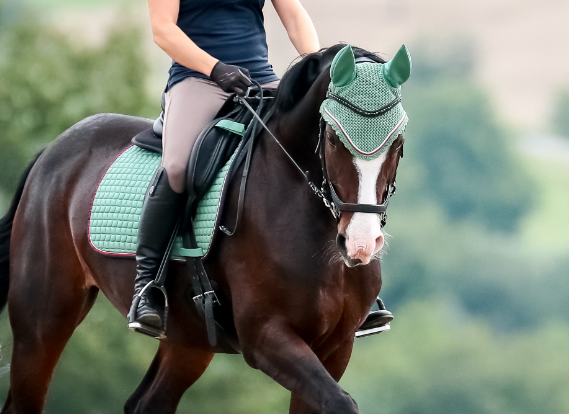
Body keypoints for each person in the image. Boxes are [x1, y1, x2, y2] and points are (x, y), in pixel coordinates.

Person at [131, 0, 393, 339]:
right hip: (199, 81)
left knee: (322, 152)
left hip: (261, 80)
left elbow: (294, 15)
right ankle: (148, 286)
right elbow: (163, 30)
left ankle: (357, 282)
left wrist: (315, 69)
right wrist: (215, 68)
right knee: (178, 166)